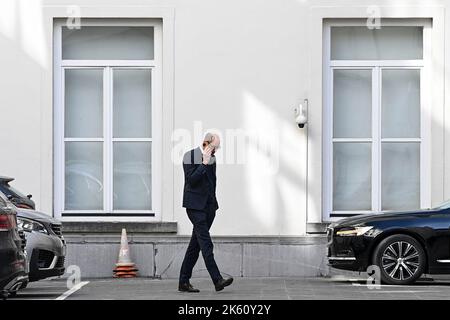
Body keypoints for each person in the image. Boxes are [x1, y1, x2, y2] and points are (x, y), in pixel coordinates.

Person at [178, 132, 233, 292]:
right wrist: (204, 163)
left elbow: (212, 182)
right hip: (194, 207)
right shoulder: (190, 156)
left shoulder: (213, 159)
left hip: (208, 208)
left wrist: (214, 205)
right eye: (215, 147)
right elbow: (192, 180)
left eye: (217, 148)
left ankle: (183, 282)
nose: (216, 150)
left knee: (195, 247)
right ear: (206, 144)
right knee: (206, 243)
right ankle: (217, 280)